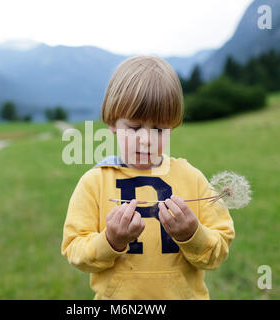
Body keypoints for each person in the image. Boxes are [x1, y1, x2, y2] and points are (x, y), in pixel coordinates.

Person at [61, 55, 235, 300]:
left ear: (173, 127)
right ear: (112, 123)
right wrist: (110, 240)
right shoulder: (94, 183)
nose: (146, 139)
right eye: (133, 128)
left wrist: (192, 234)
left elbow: (219, 250)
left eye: (159, 129)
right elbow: (74, 251)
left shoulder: (192, 178)